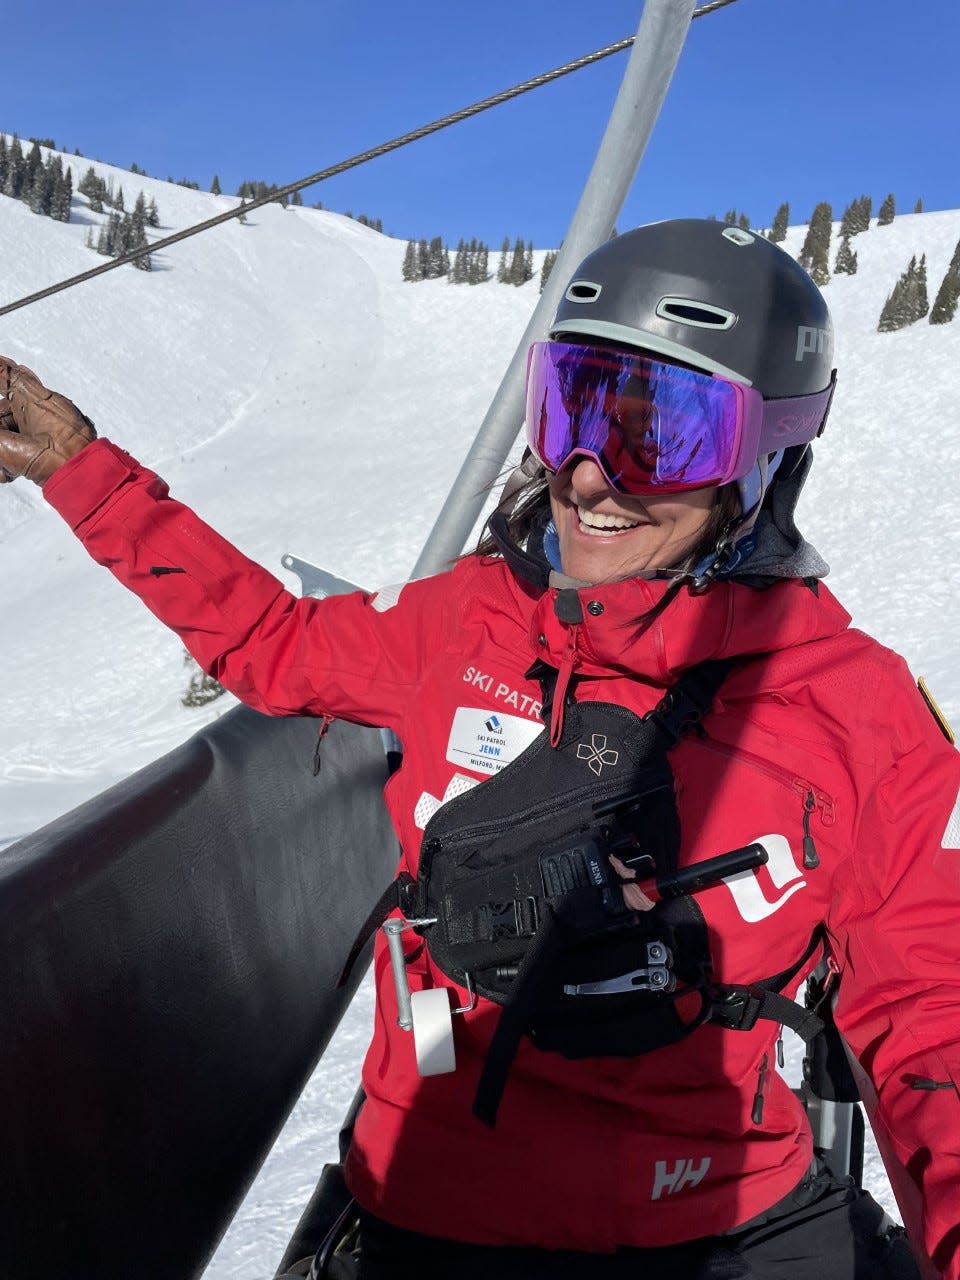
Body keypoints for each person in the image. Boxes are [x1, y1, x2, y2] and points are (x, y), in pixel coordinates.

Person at [1, 219, 958, 1280]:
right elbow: (272, 642)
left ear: (762, 465)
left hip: (722, 1223)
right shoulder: (473, 617)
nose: (592, 475)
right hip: (440, 1208)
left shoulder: (854, 706)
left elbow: (931, 1014)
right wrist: (78, 465)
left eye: (665, 434)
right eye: (573, 408)